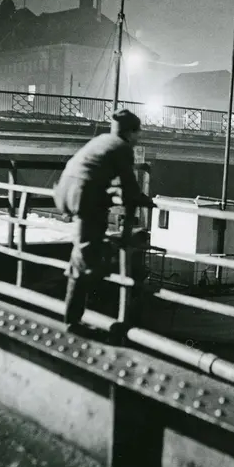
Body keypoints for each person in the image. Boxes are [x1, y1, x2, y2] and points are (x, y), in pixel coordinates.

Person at [53, 109, 155, 330]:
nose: (139, 137)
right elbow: (129, 185)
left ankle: (73, 314)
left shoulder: (101, 140)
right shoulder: (123, 148)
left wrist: (117, 193)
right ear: (130, 132)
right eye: (138, 132)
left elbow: (96, 172)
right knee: (84, 258)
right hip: (83, 197)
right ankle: (72, 321)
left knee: (82, 252)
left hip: (65, 191)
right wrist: (142, 199)